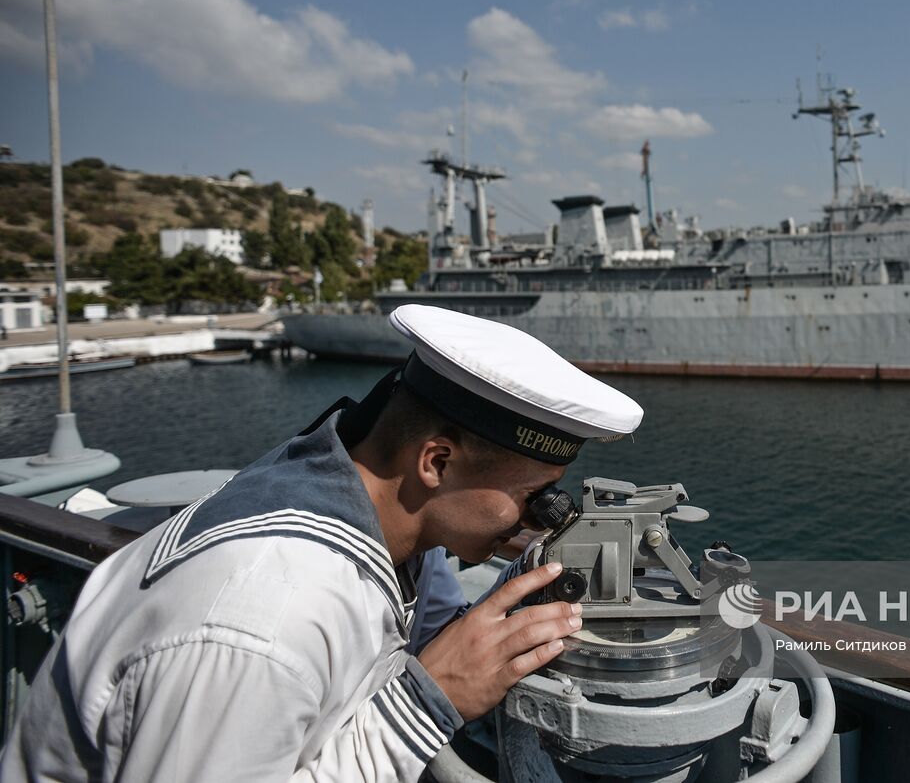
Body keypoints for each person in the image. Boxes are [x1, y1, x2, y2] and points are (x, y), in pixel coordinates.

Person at [0, 303, 644, 781]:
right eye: (534, 494)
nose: (543, 516)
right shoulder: (263, 623)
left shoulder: (328, 491)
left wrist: (497, 522)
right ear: (437, 464)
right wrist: (428, 701)